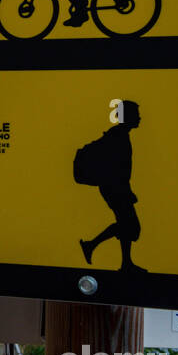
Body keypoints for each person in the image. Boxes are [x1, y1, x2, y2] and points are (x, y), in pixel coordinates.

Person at [77, 100, 146, 272]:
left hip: (116, 187)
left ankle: (124, 262)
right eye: (136, 114)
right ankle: (93, 246)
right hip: (115, 188)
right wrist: (124, 190)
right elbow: (117, 168)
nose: (139, 118)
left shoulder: (120, 134)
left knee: (126, 225)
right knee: (131, 227)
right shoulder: (118, 136)